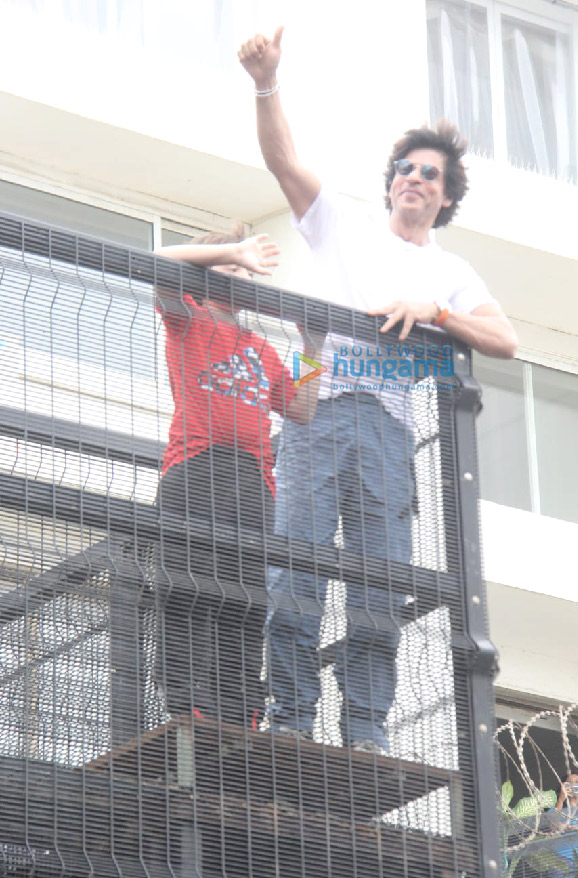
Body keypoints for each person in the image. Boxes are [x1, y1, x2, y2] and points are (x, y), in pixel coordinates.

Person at [238, 28, 518, 754]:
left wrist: (435, 313)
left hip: (388, 431)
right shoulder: (347, 225)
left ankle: (365, 728)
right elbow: (283, 162)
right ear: (391, 178)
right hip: (317, 410)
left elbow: (504, 338)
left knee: (377, 586)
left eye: (429, 173)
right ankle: (293, 717)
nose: (413, 177)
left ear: (446, 194)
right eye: (404, 167)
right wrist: (268, 83)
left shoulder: (451, 272)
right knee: (297, 565)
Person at [154, 224, 322, 729]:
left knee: (246, 599)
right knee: (186, 587)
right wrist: (228, 250)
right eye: (225, 266)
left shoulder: (261, 347)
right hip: (195, 466)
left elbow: (302, 409)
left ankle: (241, 709)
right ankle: (186, 701)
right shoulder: (189, 319)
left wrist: (310, 346)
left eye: (242, 267)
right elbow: (161, 257)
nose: (236, 273)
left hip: (253, 479)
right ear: (204, 274)